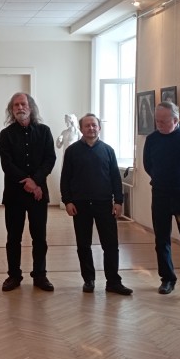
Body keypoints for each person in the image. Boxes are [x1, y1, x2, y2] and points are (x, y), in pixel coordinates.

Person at [60, 113, 133, 295]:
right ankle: (89, 280)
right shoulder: (72, 151)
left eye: (94, 125)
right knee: (83, 244)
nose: (91, 128)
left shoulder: (108, 150)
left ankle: (113, 281)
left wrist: (119, 201)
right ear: (81, 128)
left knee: (110, 245)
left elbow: (115, 178)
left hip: (104, 204)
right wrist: (67, 201)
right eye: (87, 125)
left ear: (99, 128)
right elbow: (65, 178)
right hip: (80, 205)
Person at [0, 92, 56, 292]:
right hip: (14, 194)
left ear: (30, 107)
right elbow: (7, 164)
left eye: (23, 104)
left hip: (38, 194)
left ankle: (40, 275)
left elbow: (50, 159)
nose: (20, 108)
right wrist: (29, 182)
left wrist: (36, 181)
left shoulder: (44, 131)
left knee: (39, 237)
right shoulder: (6, 134)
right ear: (11, 110)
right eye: (16, 105)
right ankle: (14, 276)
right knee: (13, 238)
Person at [143, 101, 180, 299]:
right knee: (162, 238)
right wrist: (161, 179)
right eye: (157, 121)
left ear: (176, 120)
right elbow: (148, 165)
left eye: (164, 121)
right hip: (161, 196)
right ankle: (167, 279)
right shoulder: (152, 139)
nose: (159, 124)